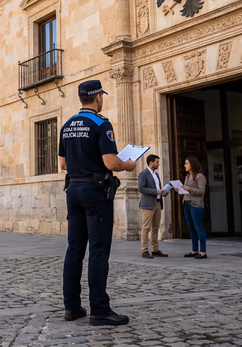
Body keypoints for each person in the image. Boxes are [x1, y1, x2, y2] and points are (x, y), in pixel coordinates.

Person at [59, 80, 136, 326]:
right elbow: (111, 162)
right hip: (95, 191)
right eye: (101, 95)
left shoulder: (66, 125)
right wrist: (128, 164)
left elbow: (63, 165)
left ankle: (72, 307)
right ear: (97, 98)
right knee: (99, 250)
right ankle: (100, 309)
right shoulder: (102, 124)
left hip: (73, 188)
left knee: (74, 249)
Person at [175, 156, 208, 259]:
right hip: (187, 204)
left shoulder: (200, 176)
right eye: (185, 163)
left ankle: (203, 252)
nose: (185, 165)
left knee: (199, 228)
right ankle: (194, 250)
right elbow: (187, 191)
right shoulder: (187, 177)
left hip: (196, 205)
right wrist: (180, 190)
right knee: (191, 229)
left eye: (186, 163)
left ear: (192, 164)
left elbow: (201, 191)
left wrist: (188, 188)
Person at [137, 155, 168, 259]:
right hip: (148, 204)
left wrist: (163, 192)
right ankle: (144, 250)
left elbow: (157, 188)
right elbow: (141, 188)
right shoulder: (143, 174)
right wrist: (156, 192)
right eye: (157, 162)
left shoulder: (157, 175)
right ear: (151, 163)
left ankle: (155, 249)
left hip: (158, 203)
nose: (158, 164)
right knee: (146, 228)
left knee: (155, 228)